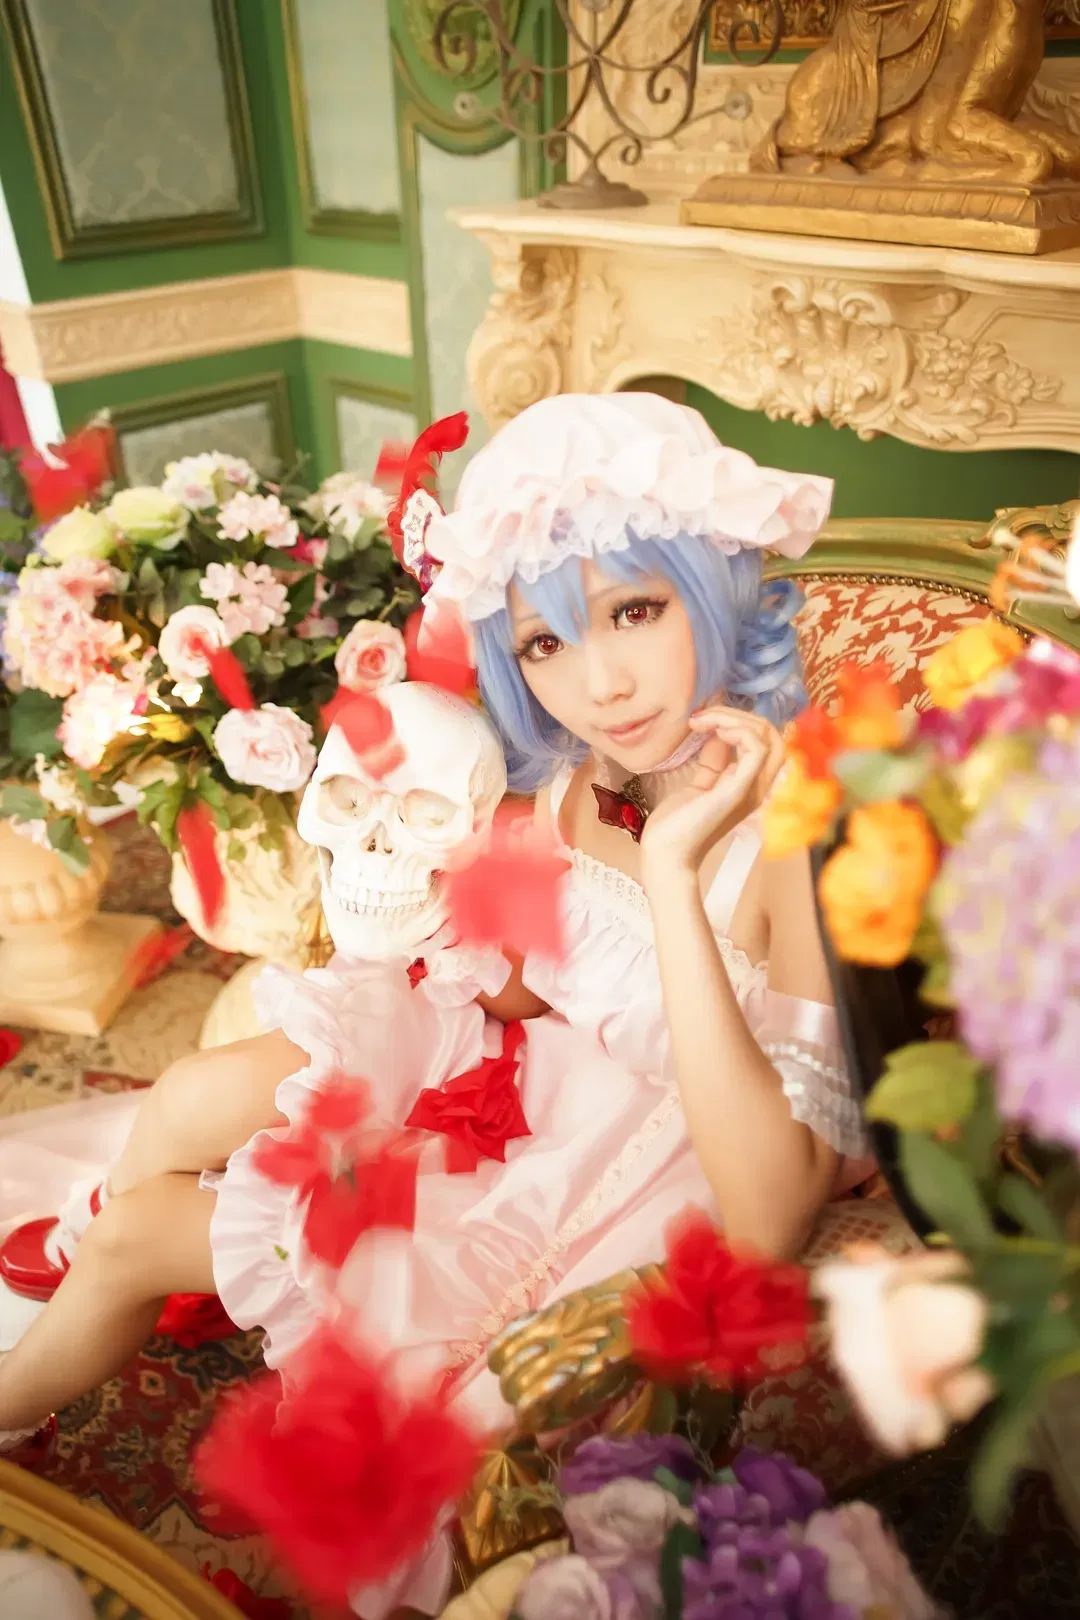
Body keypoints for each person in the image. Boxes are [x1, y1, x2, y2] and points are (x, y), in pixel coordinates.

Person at [0, 395, 872, 1603]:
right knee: (191, 1119)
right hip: (523, 1096)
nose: (600, 684)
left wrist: (675, 877)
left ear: (712, 586)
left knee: (151, 1228)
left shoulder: (803, 836)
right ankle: (64, 1349)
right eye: (545, 643)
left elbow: (769, 1216)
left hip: (618, 1186)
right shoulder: (582, 778)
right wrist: (454, 923)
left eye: (636, 610)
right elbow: (530, 993)